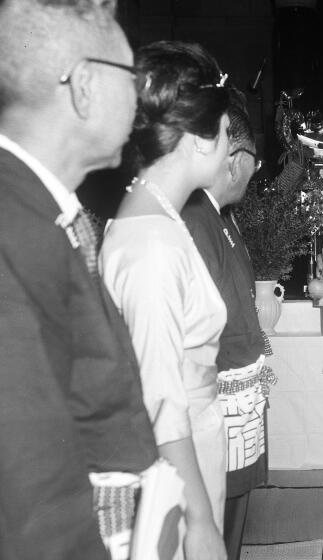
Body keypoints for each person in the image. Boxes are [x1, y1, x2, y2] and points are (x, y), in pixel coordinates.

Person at [0, 2, 159, 558]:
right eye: (132, 76)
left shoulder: (41, 206)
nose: (140, 95)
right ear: (85, 85)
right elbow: (26, 479)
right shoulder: (11, 226)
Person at [100, 40, 232, 560]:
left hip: (192, 445)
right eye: (225, 133)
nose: (228, 147)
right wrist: (199, 521)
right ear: (200, 141)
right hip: (176, 463)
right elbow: (161, 398)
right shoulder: (151, 243)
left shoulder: (162, 219)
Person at [180, 92, 274, 560]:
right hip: (216, 395)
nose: (253, 174)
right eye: (253, 163)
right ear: (235, 158)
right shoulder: (196, 220)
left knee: (234, 511)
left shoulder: (223, 219)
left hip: (238, 390)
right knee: (217, 514)